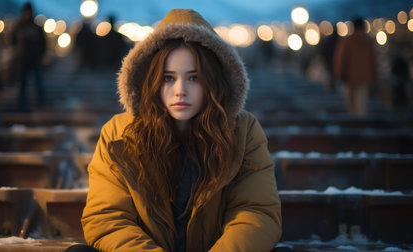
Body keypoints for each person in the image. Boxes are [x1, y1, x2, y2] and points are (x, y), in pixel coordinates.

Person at [75, 9, 282, 252]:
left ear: (213, 81)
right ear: (150, 79)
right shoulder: (119, 132)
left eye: (194, 78)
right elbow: (108, 217)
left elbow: (255, 212)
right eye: (168, 78)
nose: (180, 90)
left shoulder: (243, 131)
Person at [333, 17, 377, 117]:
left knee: (351, 109)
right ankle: (361, 129)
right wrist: (374, 77)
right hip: (364, 79)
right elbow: (373, 61)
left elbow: (340, 60)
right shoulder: (368, 42)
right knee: (361, 110)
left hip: (348, 79)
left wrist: (339, 76)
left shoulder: (347, 41)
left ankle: (353, 129)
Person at [12, 2, 47, 111]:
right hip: (23, 59)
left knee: (38, 84)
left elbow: (43, 42)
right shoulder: (19, 26)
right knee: (22, 85)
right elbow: (12, 40)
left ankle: (41, 104)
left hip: (35, 59)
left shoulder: (36, 27)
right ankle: (21, 106)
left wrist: (41, 55)